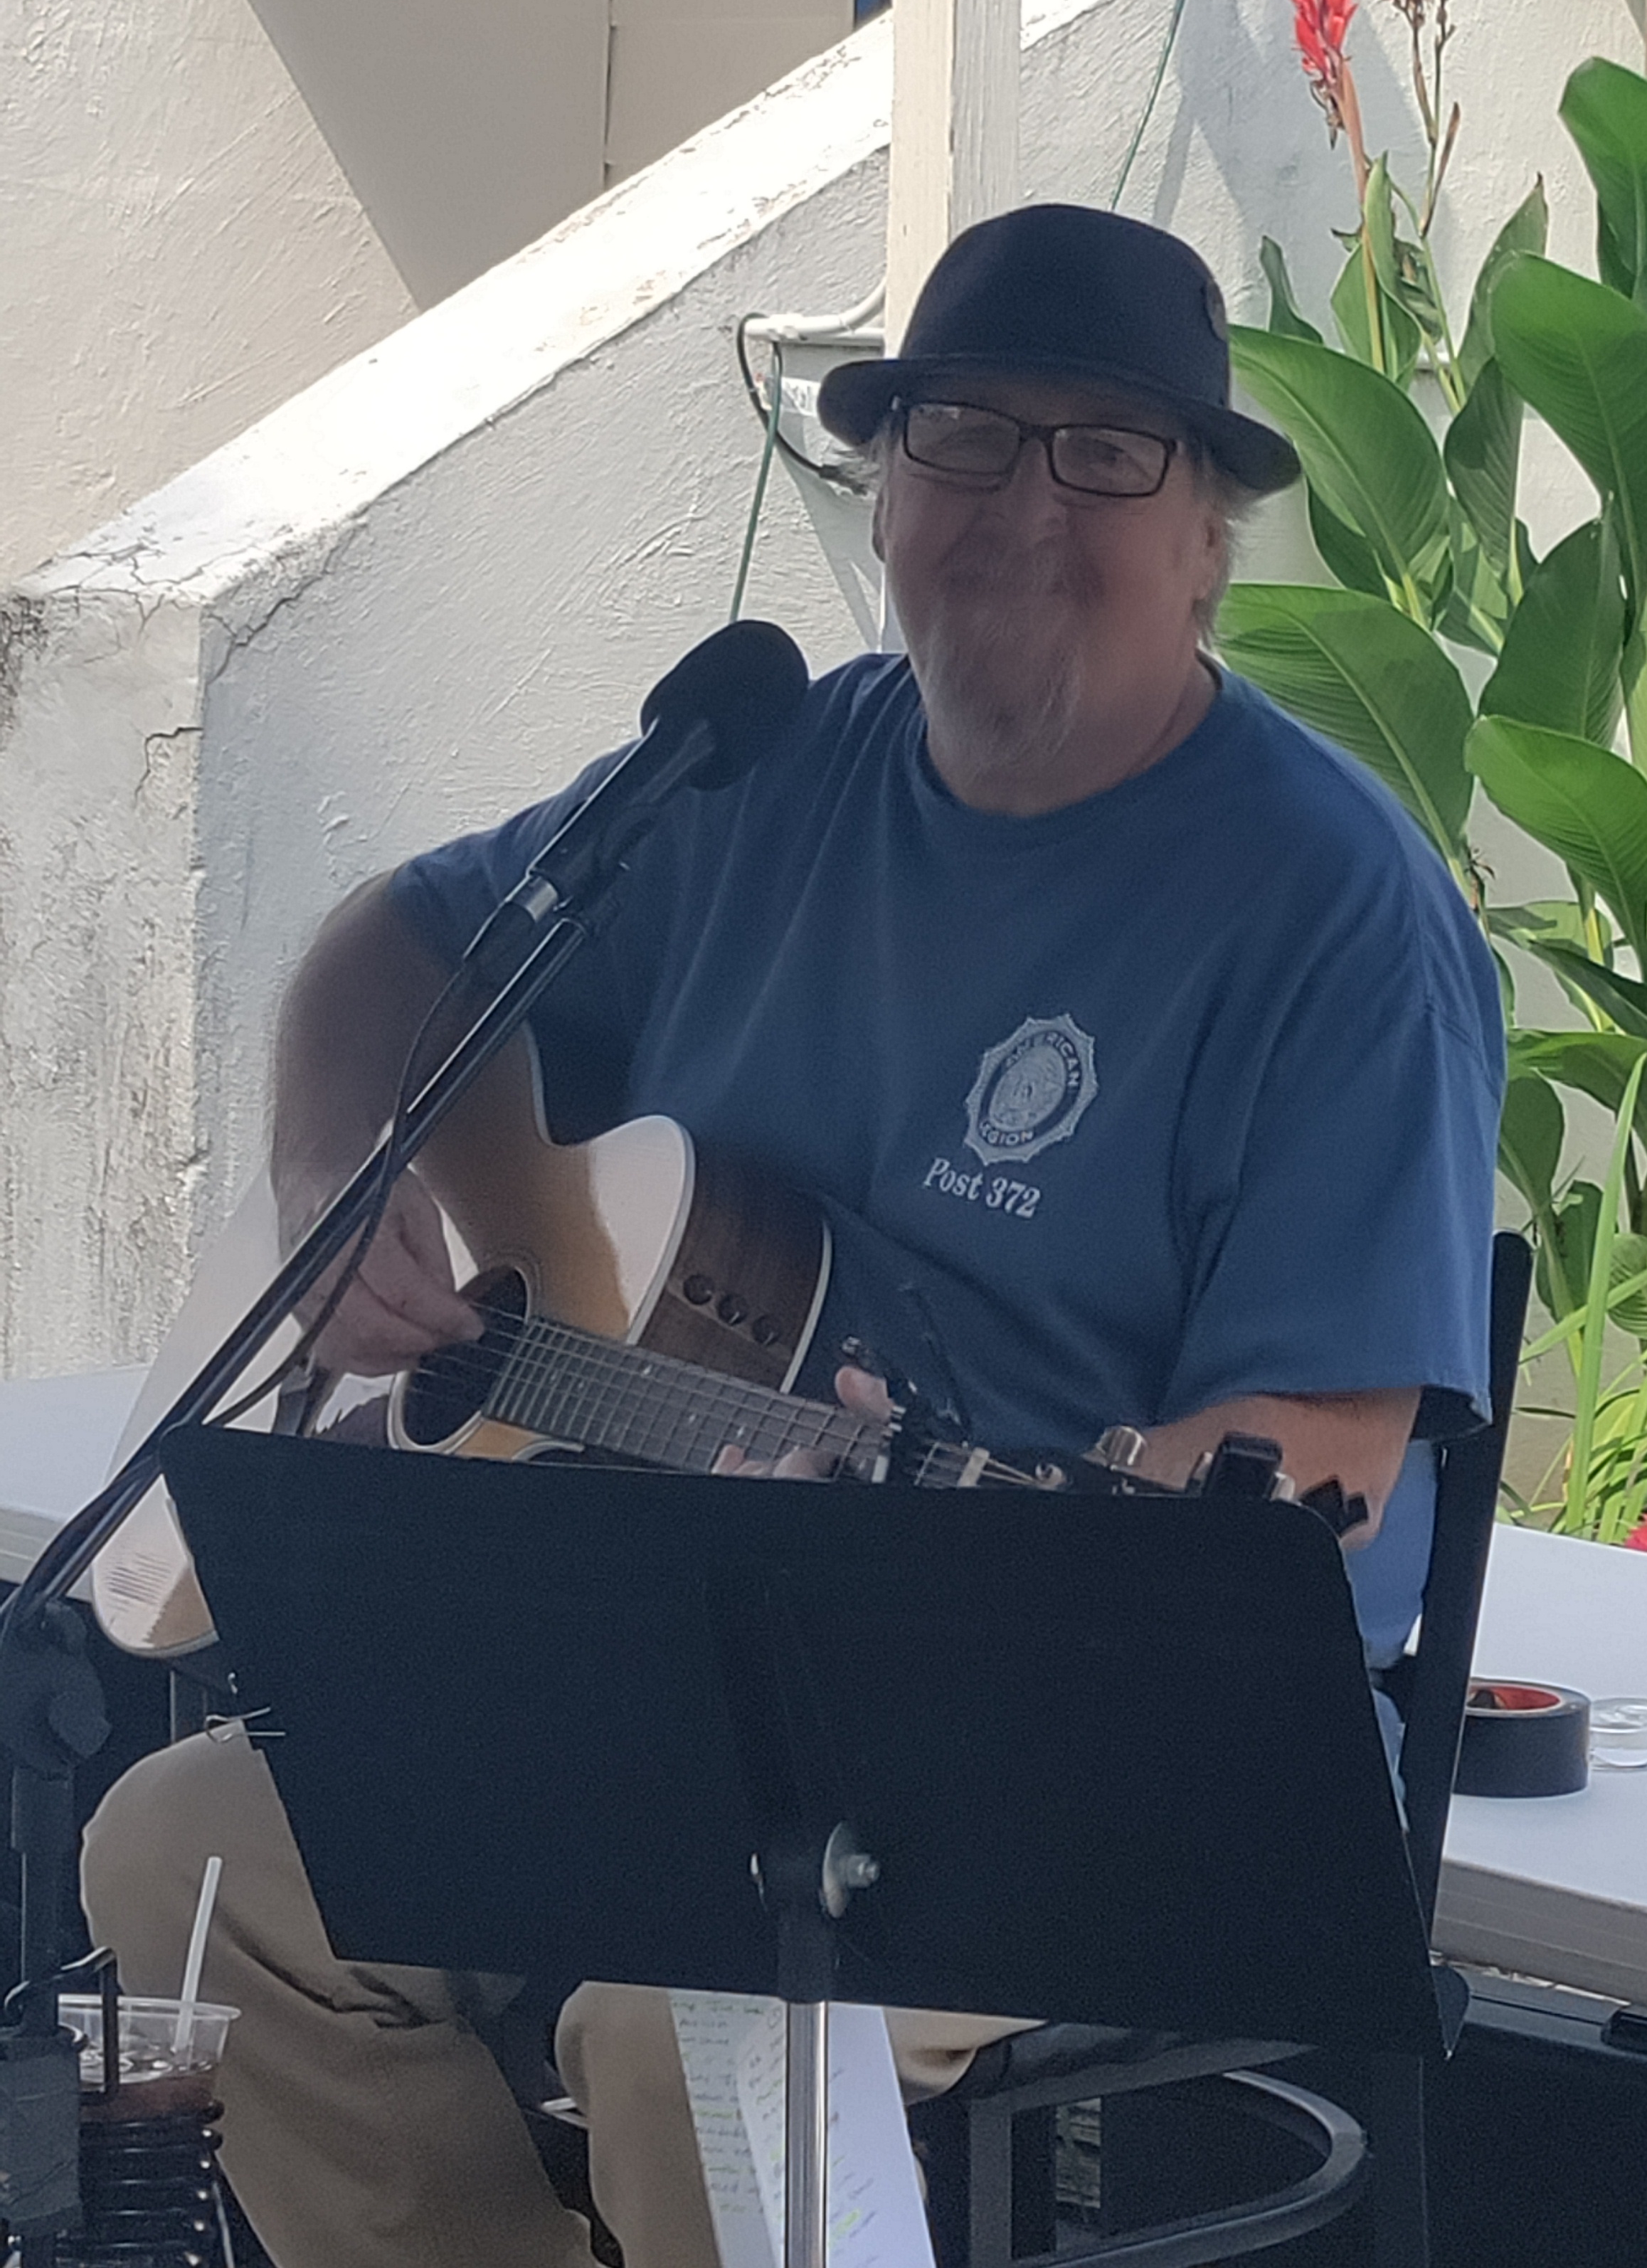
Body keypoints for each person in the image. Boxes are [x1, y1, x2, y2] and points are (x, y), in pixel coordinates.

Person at [83, 203, 1506, 2268]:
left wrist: (952, 1568)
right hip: (658, 1676)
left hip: (1078, 1737)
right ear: (886, 485)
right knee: (181, 1855)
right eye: (963, 439)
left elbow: (1322, 1473)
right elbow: (399, 947)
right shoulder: (760, 783)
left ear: (1208, 536)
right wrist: (332, 1193)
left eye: (1106, 454)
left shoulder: (1336, 913)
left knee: (699, 2024)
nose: (1025, 507)